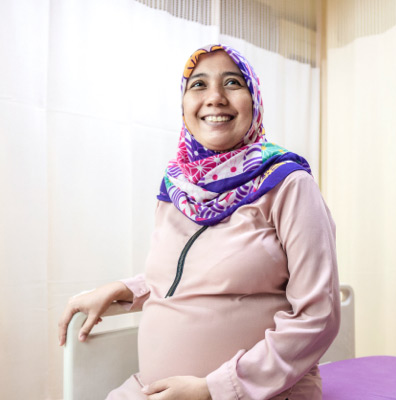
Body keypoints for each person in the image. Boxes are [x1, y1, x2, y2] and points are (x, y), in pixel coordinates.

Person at [58, 44, 340, 400]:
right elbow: (193, 273)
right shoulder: (177, 189)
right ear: (184, 105)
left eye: (233, 83)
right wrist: (126, 289)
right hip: (156, 388)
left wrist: (213, 388)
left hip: (258, 392)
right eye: (199, 85)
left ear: (254, 100)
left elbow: (318, 314)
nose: (215, 98)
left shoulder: (288, 184)